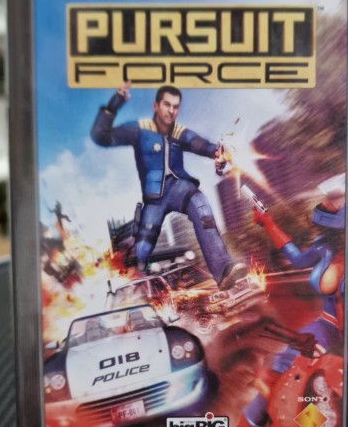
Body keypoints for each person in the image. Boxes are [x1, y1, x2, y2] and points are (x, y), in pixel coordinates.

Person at [91, 81, 246, 289]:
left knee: (201, 206)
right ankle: (139, 291)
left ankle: (224, 270)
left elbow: (201, 144)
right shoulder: (139, 129)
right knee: (142, 250)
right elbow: (101, 136)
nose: (171, 111)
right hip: (153, 198)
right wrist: (115, 102)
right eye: (167, 105)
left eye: (175, 107)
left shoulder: (179, 132)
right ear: (156, 106)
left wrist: (218, 153)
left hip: (178, 187)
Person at [229, 175, 346, 427]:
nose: (325, 204)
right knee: (275, 383)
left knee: (318, 410)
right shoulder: (326, 248)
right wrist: (267, 223)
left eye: (333, 200)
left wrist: (337, 354)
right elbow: (297, 257)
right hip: (320, 331)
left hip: (345, 344)